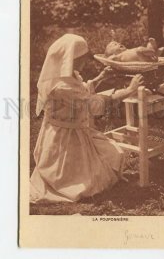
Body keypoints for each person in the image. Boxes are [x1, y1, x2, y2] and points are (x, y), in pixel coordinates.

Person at [30, 34, 143, 203]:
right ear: (72, 58)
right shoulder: (62, 87)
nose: (85, 62)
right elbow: (92, 104)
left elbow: (82, 91)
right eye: (83, 58)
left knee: (115, 154)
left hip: (73, 130)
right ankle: (65, 177)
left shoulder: (67, 77)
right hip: (64, 141)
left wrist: (100, 78)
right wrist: (128, 90)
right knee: (90, 180)